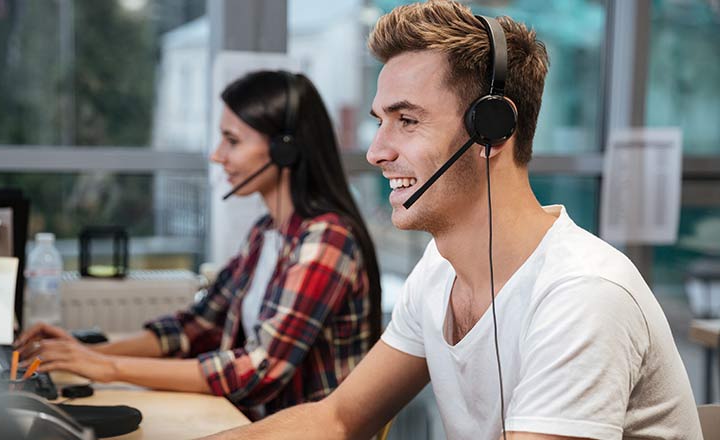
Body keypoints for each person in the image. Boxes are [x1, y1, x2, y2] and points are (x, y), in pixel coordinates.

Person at [206, 1, 702, 439]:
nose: (377, 152)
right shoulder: (439, 269)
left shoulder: (583, 295)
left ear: (492, 130)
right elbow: (336, 420)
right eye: (381, 121)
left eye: (408, 120)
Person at [15, 70, 382, 420]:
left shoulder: (326, 241)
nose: (217, 155)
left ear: (284, 150)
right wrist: (84, 353)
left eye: (233, 141)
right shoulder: (267, 233)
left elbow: (257, 370)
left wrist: (107, 368)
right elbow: (196, 325)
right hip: (260, 423)